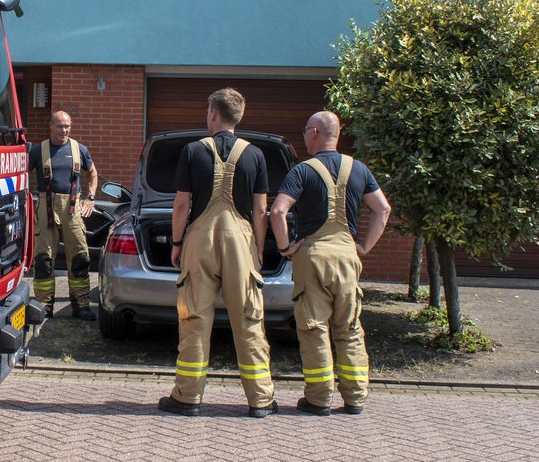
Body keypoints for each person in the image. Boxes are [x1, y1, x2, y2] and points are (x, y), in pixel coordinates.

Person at [157, 88, 276, 418]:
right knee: (249, 319)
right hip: (241, 242)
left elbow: (181, 204)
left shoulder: (193, 151)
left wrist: (177, 243)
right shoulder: (255, 155)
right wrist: (258, 249)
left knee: (194, 318)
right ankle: (260, 400)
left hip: (200, 240)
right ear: (238, 116)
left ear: (213, 114)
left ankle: (187, 397)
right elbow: (261, 209)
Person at [269, 110, 391, 416]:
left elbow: (278, 211)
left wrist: (285, 248)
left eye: (304, 131)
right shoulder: (359, 169)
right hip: (347, 257)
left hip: (312, 257)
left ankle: (319, 398)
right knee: (349, 327)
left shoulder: (302, 171)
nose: (303, 136)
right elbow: (383, 209)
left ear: (314, 132)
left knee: (314, 328)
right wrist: (364, 247)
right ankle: (355, 397)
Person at [29, 111, 98, 319]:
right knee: (43, 259)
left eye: (67, 126)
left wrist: (90, 198)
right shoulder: (37, 150)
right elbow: (21, 175)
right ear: (50, 126)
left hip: (73, 207)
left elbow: (92, 173)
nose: (64, 130)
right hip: (45, 206)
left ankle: (81, 305)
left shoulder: (80, 149)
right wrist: (26, 204)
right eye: (59, 126)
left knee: (79, 257)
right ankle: (44, 305)